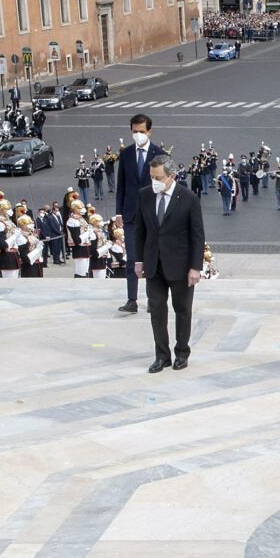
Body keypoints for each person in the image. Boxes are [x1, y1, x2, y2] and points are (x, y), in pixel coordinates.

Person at [133, 156, 205, 374]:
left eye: (159, 178)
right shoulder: (144, 195)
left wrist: (195, 267)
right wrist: (138, 260)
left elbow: (197, 236)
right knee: (156, 310)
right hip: (154, 264)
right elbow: (140, 230)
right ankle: (161, 356)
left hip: (181, 266)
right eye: (152, 177)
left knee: (182, 310)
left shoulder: (188, 197)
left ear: (172, 176)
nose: (154, 181)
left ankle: (182, 352)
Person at [115, 114, 166, 314]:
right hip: (130, 214)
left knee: (153, 259)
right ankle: (131, 300)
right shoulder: (126, 154)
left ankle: (154, 300)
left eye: (141, 132)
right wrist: (118, 212)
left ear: (149, 132)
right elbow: (122, 185)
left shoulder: (159, 154)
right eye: (135, 131)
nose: (138, 135)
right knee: (132, 259)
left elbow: (164, 186)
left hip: (153, 215)